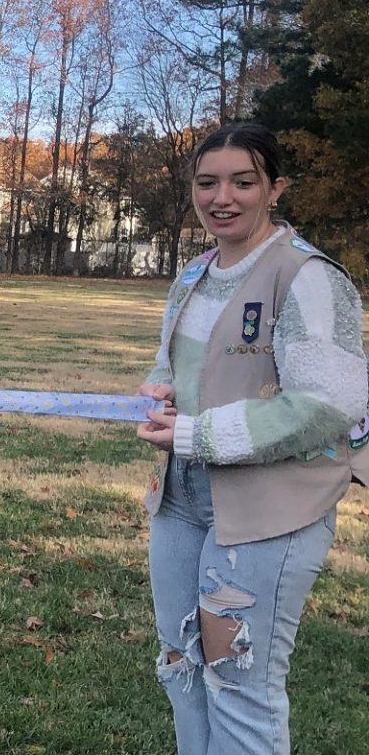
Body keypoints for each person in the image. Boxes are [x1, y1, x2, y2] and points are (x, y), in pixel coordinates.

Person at [134, 122, 366, 755]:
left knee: (239, 680)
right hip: (181, 499)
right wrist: (162, 393)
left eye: (243, 181)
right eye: (207, 182)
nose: (222, 197)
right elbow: (170, 362)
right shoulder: (193, 274)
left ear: (275, 188)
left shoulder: (307, 276)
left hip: (269, 509)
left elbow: (330, 403)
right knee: (182, 662)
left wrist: (199, 432)